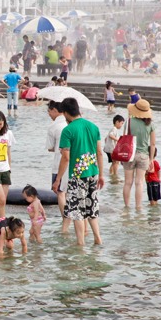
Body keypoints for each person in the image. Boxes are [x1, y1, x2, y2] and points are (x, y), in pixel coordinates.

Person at [53, 98, 104, 246]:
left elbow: (66, 157)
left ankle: (80, 244)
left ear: (67, 113)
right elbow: (99, 152)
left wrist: (58, 179)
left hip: (77, 176)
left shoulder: (68, 130)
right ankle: (97, 239)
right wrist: (101, 175)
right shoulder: (93, 127)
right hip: (93, 173)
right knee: (92, 208)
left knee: (77, 211)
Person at [122, 99, 155, 209]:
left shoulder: (129, 122)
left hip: (129, 155)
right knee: (139, 183)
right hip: (143, 155)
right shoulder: (151, 124)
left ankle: (126, 207)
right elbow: (153, 144)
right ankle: (138, 207)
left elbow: (124, 139)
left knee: (128, 182)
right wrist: (151, 160)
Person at [46, 101, 70, 233]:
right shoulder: (70, 123)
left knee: (61, 193)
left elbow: (50, 148)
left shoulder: (53, 126)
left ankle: (65, 219)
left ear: (54, 110)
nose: (49, 114)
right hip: (74, 163)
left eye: (49, 111)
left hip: (59, 164)